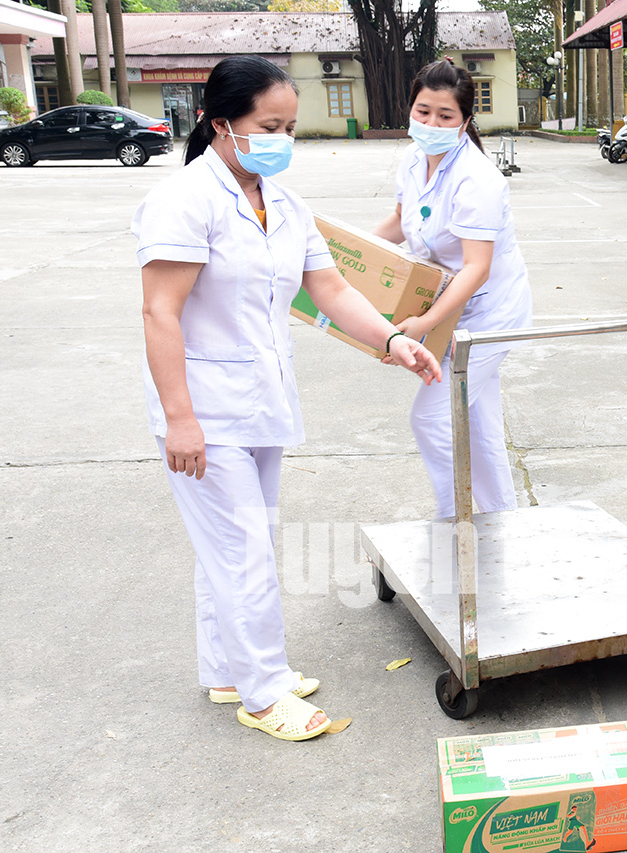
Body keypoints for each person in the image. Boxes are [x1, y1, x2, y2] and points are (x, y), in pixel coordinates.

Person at [136, 55, 442, 742]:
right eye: (269, 126)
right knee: (243, 549)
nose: (282, 140)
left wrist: (393, 339)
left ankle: (228, 670)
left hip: (261, 403)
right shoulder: (184, 200)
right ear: (220, 123)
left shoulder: (283, 203)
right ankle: (264, 691)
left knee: (235, 544)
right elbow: (160, 312)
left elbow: (328, 289)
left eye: (290, 128)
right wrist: (180, 419)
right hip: (204, 410)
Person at [373, 58, 533, 519]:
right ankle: (503, 519)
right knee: (479, 421)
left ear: (464, 122)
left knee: (431, 419)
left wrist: (423, 323)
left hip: (489, 313)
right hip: (451, 307)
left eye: (445, 116)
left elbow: (477, 269)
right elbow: (400, 221)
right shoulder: (412, 160)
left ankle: (454, 519)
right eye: (423, 112)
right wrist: (345, 253)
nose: (431, 124)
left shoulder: (477, 179)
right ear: (410, 109)